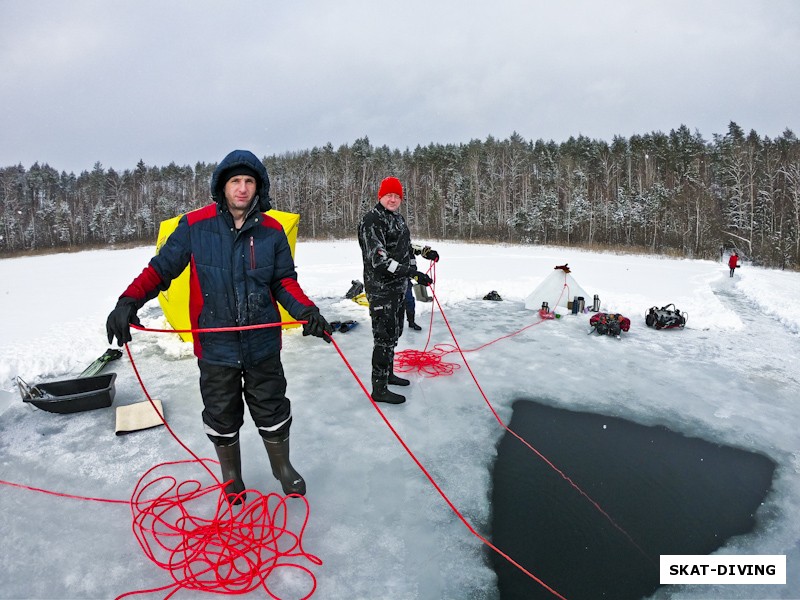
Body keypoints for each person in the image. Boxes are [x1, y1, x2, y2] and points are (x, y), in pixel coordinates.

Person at [106, 149, 332, 504]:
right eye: (234, 181)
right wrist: (128, 300)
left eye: (248, 181)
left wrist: (308, 311)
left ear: (258, 187)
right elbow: (160, 269)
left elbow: (283, 282)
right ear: (222, 186)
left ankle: (282, 468)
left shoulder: (272, 231)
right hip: (216, 347)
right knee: (221, 413)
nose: (242, 189)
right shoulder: (195, 226)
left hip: (262, 343)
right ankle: (231, 476)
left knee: (272, 406)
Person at [357, 176, 438, 404]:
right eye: (388, 195)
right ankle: (379, 388)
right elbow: (380, 259)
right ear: (380, 196)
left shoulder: (397, 219)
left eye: (397, 196)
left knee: (394, 334)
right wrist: (411, 273)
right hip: (382, 289)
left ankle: (388, 375)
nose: (393, 199)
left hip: (398, 288)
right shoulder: (372, 221)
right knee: (383, 338)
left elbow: (404, 246)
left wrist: (424, 253)